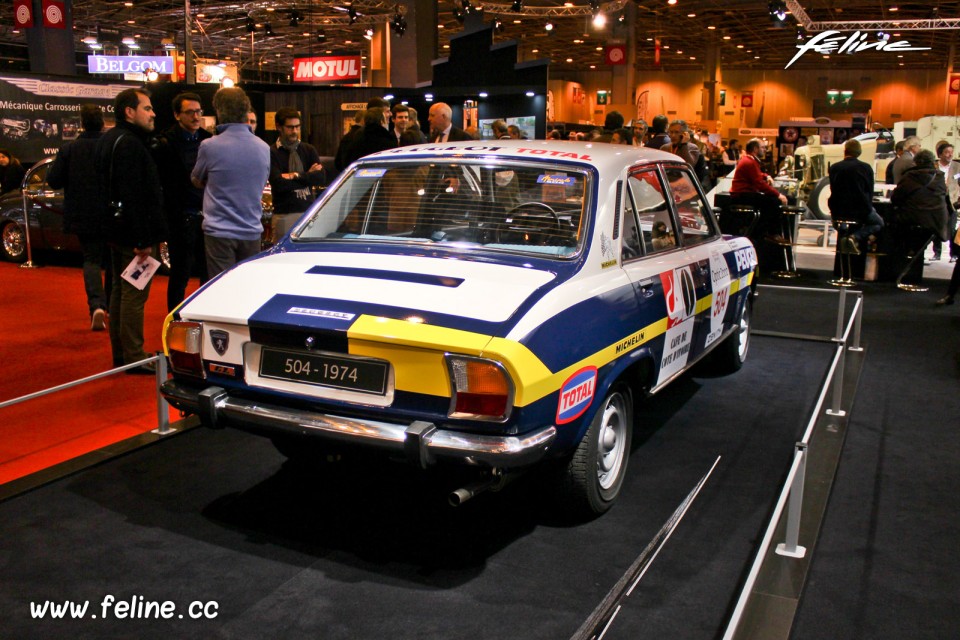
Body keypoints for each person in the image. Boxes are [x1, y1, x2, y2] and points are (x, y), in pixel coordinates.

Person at [94, 88, 167, 374]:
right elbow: (135, 194)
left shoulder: (110, 139)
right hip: (131, 233)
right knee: (133, 294)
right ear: (129, 111)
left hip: (115, 229)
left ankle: (123, 354)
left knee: (119, 292)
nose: (153, 113)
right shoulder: (130, 144)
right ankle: (133, 355)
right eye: (147, 108)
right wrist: (142, 239)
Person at [191, 86, 270, 278]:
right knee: (247, 287)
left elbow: (196, 179)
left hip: (219, 231)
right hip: (251, 230)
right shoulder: (263, 147)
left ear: (219, 111)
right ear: (245, 110)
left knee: (220, 288)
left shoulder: (209, 146)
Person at [47, 103, 109, 331]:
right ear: (102, 121)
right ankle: (112, 305)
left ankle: (96, 306)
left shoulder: (69, 149)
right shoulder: (110, 145)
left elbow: (53, 180)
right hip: (111, 212)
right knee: (113, 260)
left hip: (82, 214)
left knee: (91, 260)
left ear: (82, 123)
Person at [154, 92, 212, 312]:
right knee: (180, 272)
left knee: (207, 272)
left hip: (206, 215)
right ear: (177, 115)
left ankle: (205, 314)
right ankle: (174, 318)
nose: (196, 116)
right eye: (190, 112)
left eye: (199, 112)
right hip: (179, 216)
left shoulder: (207, 139)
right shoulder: (165, 142)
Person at [268, 107, 326, 239]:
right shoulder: (272, 152)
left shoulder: (308, 149)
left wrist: (295, 175)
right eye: (290, 127)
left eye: (297, 127)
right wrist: (307, 176)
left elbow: (320, 178)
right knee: (283, 258)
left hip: (308, 213)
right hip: (284, 213)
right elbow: (278, 184)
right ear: (279, 127)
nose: (295, 131)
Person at [827, 139, 885, 255]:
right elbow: (869, 191)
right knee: (879, 223)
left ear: (845, 151)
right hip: (859, 210)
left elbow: (833, 188)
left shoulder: (834, 167)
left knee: (842, 227)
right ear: (859, 152)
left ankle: (844, 240)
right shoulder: (866, 168)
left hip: (837, 211)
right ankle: (854, 238)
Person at [891, 149, 951, 258]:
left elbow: (896, 198)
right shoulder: (939, 177)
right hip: (936, 220)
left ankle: (901, 256)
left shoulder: (909, 176)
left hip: (912, 218)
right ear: (933, 162)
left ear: (916, 162)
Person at [934, 141, 959, 262]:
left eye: (951, 152)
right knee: (937, 227)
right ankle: (936, 252)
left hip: (952, 202)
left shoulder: (957, 167)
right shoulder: (934, 166)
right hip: (937, 201)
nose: (949, 155)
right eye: (947, 152)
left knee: (952, 228)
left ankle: (953, 253)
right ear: (941, 154)